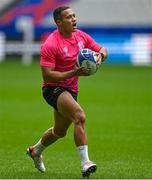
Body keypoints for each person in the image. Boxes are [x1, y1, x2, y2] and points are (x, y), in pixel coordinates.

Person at [27, 6, 108, 178]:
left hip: (71, 89)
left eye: (74, 16)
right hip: (52, 88)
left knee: (59, 132)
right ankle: (86, 163)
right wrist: (74, 72)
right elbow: (48, 75)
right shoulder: (51, 44)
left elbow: (102, 49)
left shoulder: (80, 36)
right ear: (59, 22)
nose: (74, 19)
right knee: (79, 116)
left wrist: (101, 55)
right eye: (69, 17)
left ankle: (35, 151)